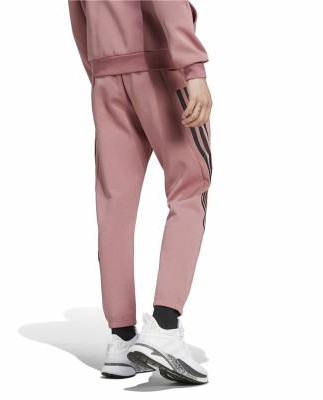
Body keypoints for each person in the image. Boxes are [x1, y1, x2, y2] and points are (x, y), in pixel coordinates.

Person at [68, 0, 213, 384]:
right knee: (189, 190)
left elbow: (79, 17)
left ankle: (121, 339)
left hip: (106, 77)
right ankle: (165, 327)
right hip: (161, 70)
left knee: (114, 205)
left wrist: (102, 74)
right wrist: (193, 68)